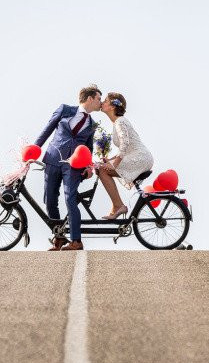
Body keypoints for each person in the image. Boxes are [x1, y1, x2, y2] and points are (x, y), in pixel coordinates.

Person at [35, 84, 102, 251]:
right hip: (53, 158)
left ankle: (76, 241)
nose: (100, 103)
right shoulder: (64, 109)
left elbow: (89, 148)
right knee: (49, 199)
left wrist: (88, 166)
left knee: (69, 198)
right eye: (99, 99)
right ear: (90, 98)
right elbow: (47, 130)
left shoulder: (92, 125)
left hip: (73, 165)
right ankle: (58, 237)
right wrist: (34, 150)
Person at [97, 92, 154, 220]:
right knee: (103, 167)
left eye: (105, 101)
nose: (103, 102)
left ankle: (118, 206)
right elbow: (127, 148)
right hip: (140, 156)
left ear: (112, 106)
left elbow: (125, 143)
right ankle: (116, 206)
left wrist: (114, 164)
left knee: (102, 170)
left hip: (141, 157)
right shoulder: (118, 122)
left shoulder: (120, 121)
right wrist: (110, 160)